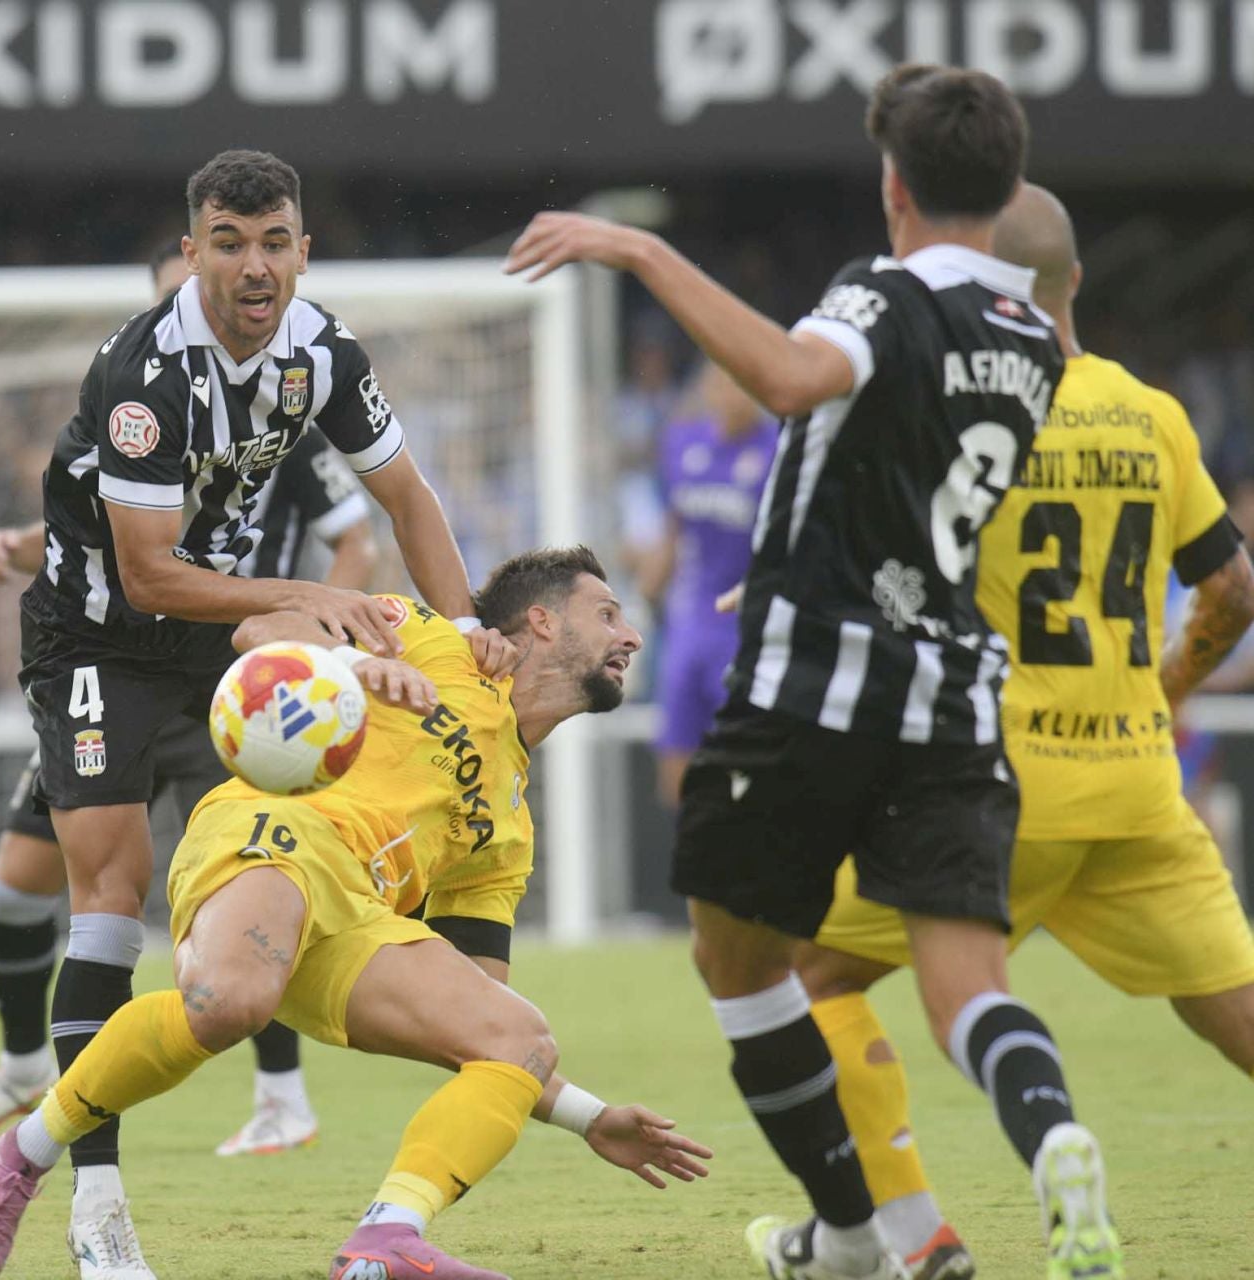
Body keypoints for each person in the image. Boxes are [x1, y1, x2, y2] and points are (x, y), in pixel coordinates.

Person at [508, 64, 1120, 1280]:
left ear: (893, 187)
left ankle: (851, 1230)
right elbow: (903, 481)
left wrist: (639, 253)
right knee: (968, 994)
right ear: (1000, 192)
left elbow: (792, 382)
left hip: (815, 695)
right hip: (950, 704)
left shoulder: (881, 297)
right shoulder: (1033, 346)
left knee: (739, 962)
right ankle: (1053, 1134)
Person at [11, 150, 511, 1279]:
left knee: (284, 831)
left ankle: (302, 1068)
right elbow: (146, 576)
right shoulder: (147, 375)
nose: (254, 266)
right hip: (98, 637)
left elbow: (408, 495)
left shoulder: (322, 349)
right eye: (228, 243)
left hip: (223, 632)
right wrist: (302, 596)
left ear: (303, 248)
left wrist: (470, 630)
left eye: (274, 241)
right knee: (108, 887)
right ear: (191, 253)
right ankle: (95, 1200)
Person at [0, 548, 712, 1280]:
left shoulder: (508, 832)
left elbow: (479, 1021)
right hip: (272, 833)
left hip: (355, 922)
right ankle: (25, 1151)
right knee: (230, 1002)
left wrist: (588, 1117)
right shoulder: (433, 640)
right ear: (543, 623)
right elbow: (259, 632)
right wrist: (355, 663)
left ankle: (387, 1236)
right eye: (608, 613)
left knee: (520, 1040)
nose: (632, 634)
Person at [795, 184, 1254, 1280]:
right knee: (1236, 1013)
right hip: (1137, 784)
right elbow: (1232, 587)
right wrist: (1170, 683)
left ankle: (898, 1233)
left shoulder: (964, 409)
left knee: (805, 975)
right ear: (1078, 280)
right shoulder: (1153, 411)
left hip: (985, 787)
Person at [0, 244, 380, 1161]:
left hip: (225, 676)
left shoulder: (283, 413)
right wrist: (28, 543)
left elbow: (357, 537)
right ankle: (22, 1068)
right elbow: (108, 519)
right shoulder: (145, 387)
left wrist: (303, 629)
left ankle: (279, 1093)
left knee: (246, 885)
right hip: (110, 658)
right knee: (17, 888)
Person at [639, 363, 779, 807]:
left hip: (747, 630)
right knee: (676, 760)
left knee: (749, 760)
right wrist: (649, 584)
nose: (727, 393)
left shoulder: (779, 452)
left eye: (738, 381)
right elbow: (673, 526)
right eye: (718, 381)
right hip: (690, 626)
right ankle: (689, 858)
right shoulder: (683, 445)